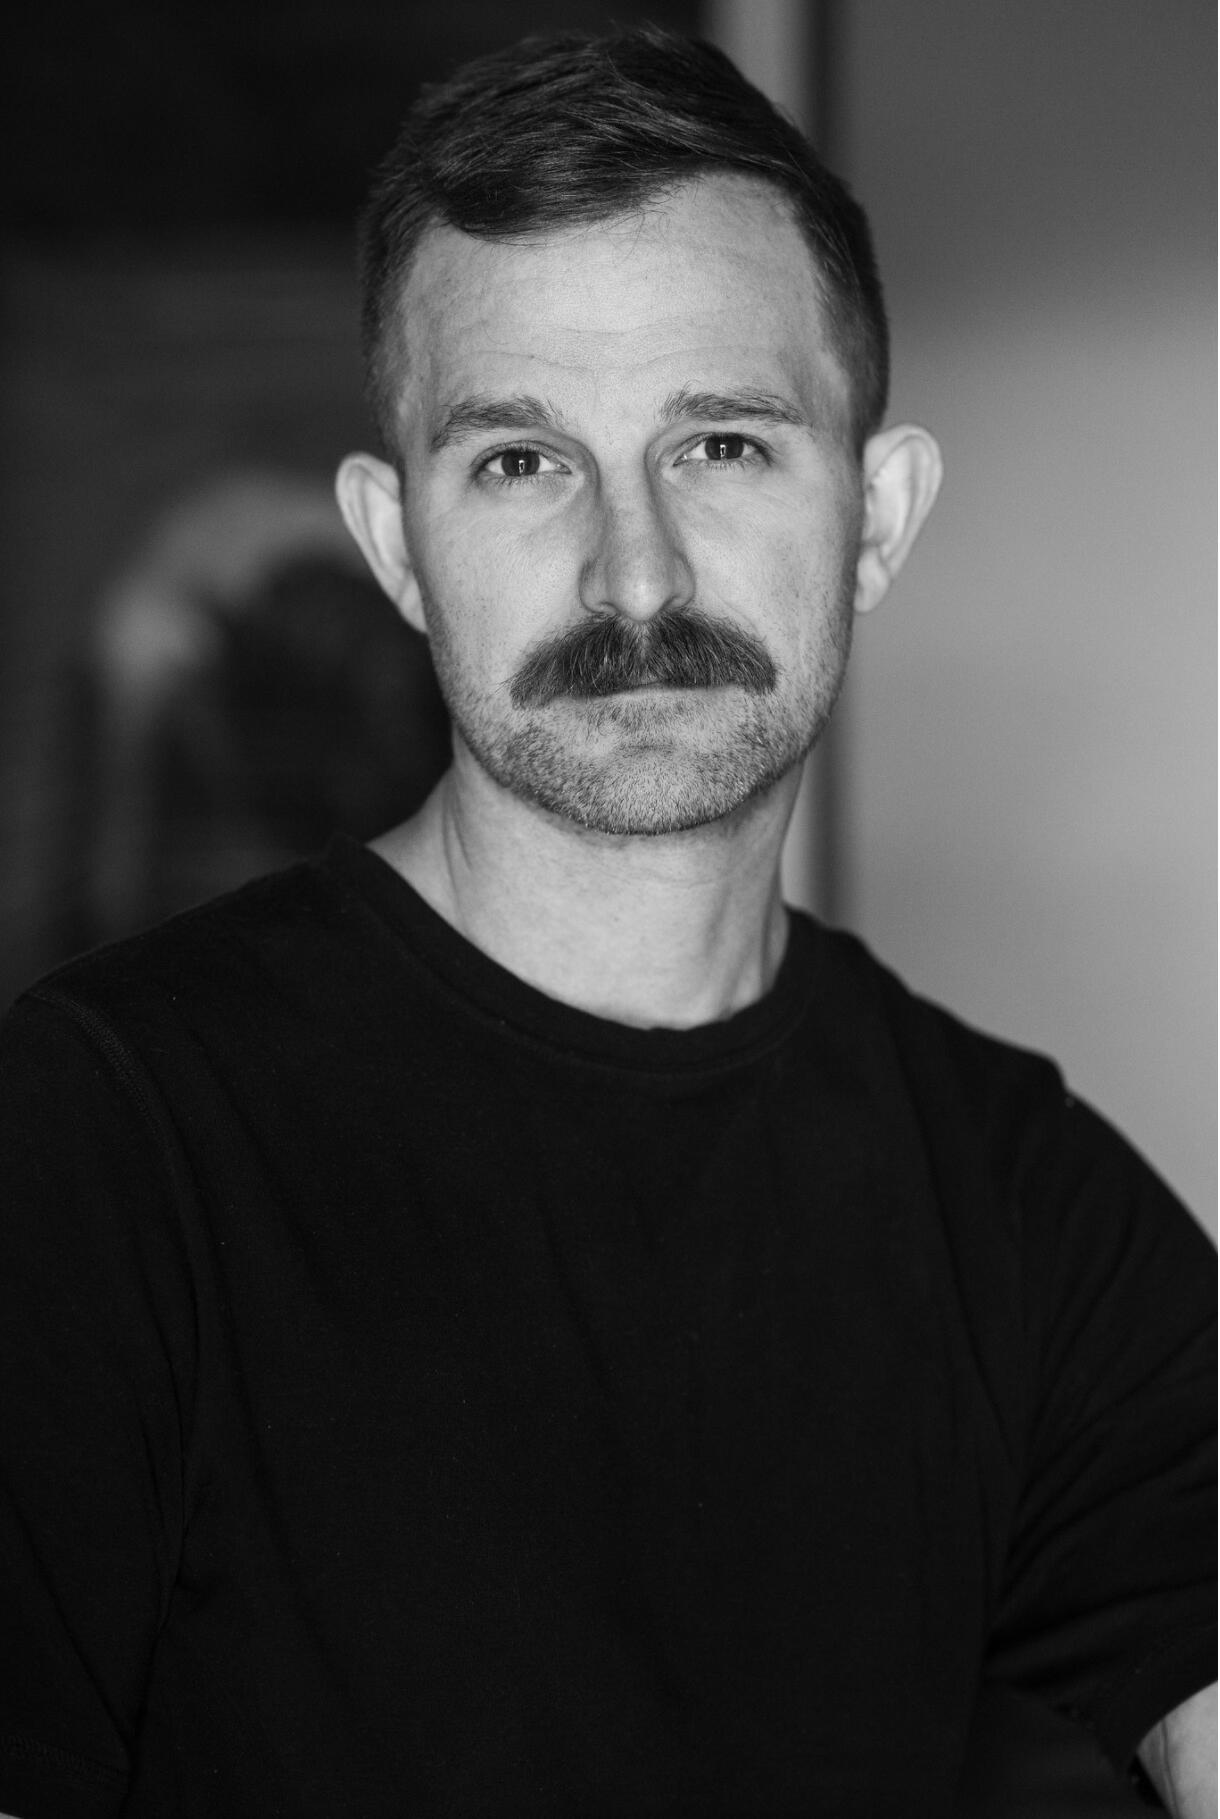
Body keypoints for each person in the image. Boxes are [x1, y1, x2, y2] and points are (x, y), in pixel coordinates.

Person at [0, 27, 1213, 1819]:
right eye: (519, 462)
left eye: (720, 443)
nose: (633, 575)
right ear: (397, 547)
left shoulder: (1023, 1204)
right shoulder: (101, 1138)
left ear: (876, 517)